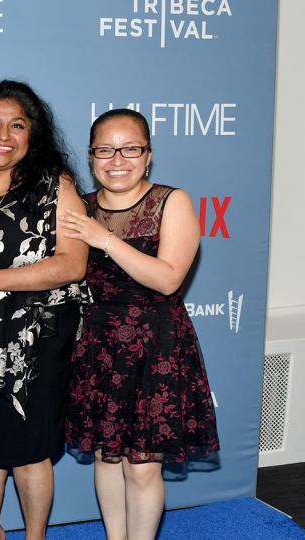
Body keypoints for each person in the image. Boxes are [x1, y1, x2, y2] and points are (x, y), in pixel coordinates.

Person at [61, 108, 220, 540]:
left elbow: (168, 278)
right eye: (105, 150)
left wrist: (105, 240)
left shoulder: (172, 202)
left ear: (148, 154)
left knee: (142, 464)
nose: (118, 160)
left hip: (155, 348)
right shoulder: (81, 208)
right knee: (105, 456)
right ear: (91, 157)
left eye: (130, 149)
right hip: (96, 345)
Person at [0, 80, 90, 540]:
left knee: (30, 446)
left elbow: (73, 263)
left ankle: (34, 535)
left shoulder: (53, 184)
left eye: (17, 125)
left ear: (32, 135)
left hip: (40, 337)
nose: (3, 135)